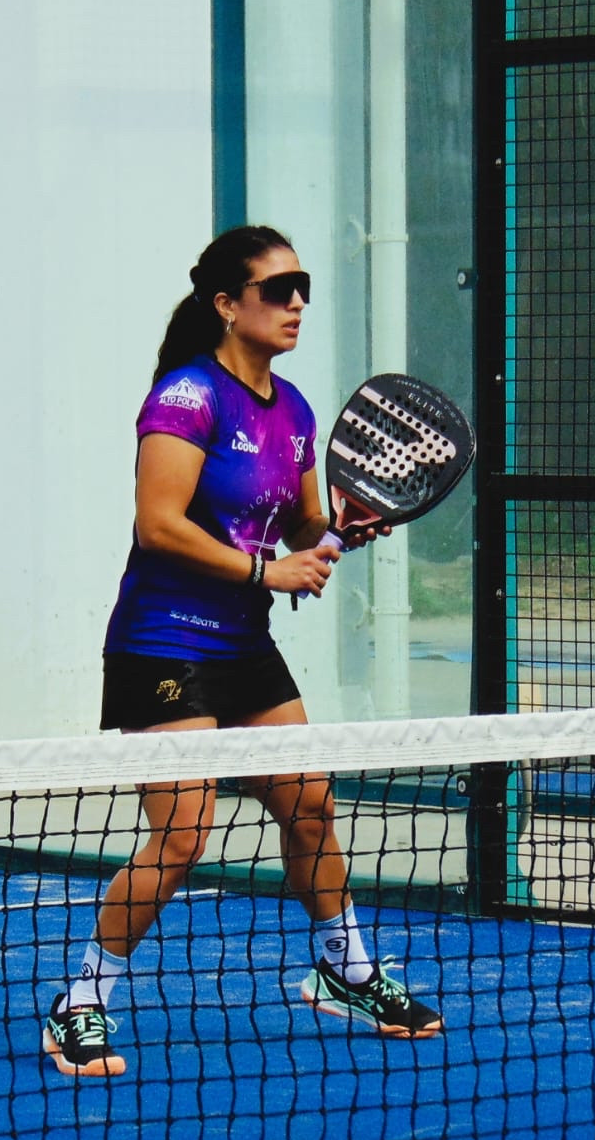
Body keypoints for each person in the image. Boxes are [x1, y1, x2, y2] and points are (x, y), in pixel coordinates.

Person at [42, 225, 443, 1079]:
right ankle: (81, 1001)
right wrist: (269, 570)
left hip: (244, 647)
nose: (296, 303)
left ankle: (344, 971)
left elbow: (301, 526)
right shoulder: (187, 397)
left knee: (310, 805)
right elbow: (158, 525)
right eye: (277, 288)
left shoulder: (292, 409)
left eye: (303, 288)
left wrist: (339, 527)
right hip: (163, 645)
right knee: (182, 836)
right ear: (227, 304)